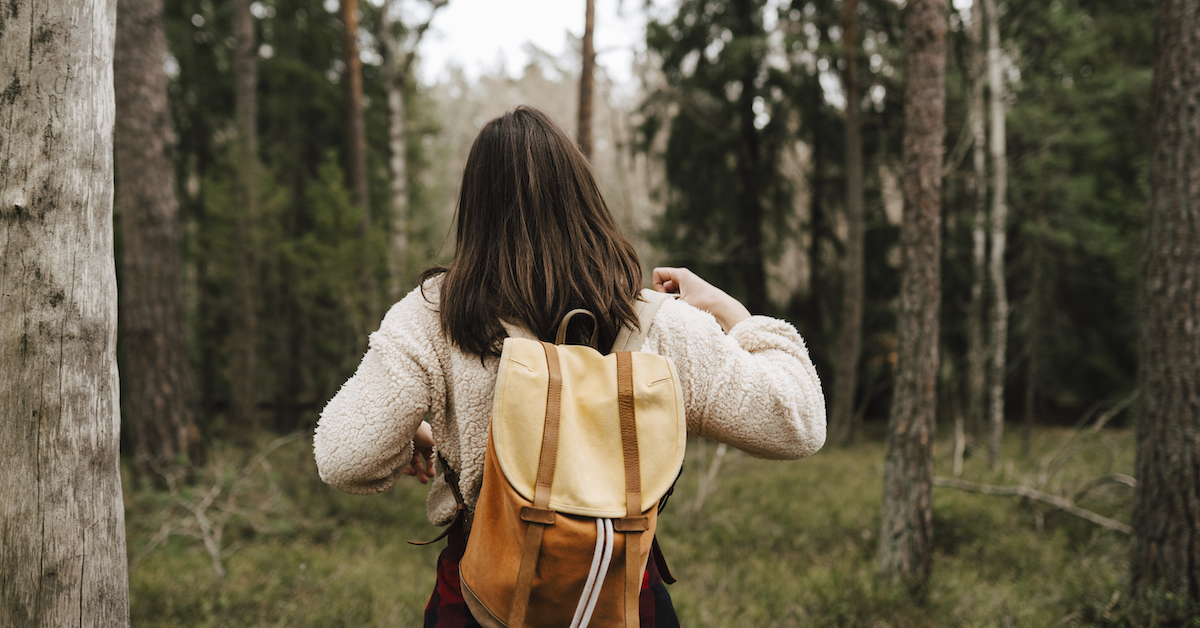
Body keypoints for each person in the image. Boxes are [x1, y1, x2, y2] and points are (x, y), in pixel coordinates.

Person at [314, 106, 826, 627]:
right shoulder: (659, 322)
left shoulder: (434, 313)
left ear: (474, 210)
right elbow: (798, 423)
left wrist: (418, 436)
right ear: (583, 199)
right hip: (620, 596)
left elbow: (344, 456)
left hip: (483, 601)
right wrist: (733, 314)